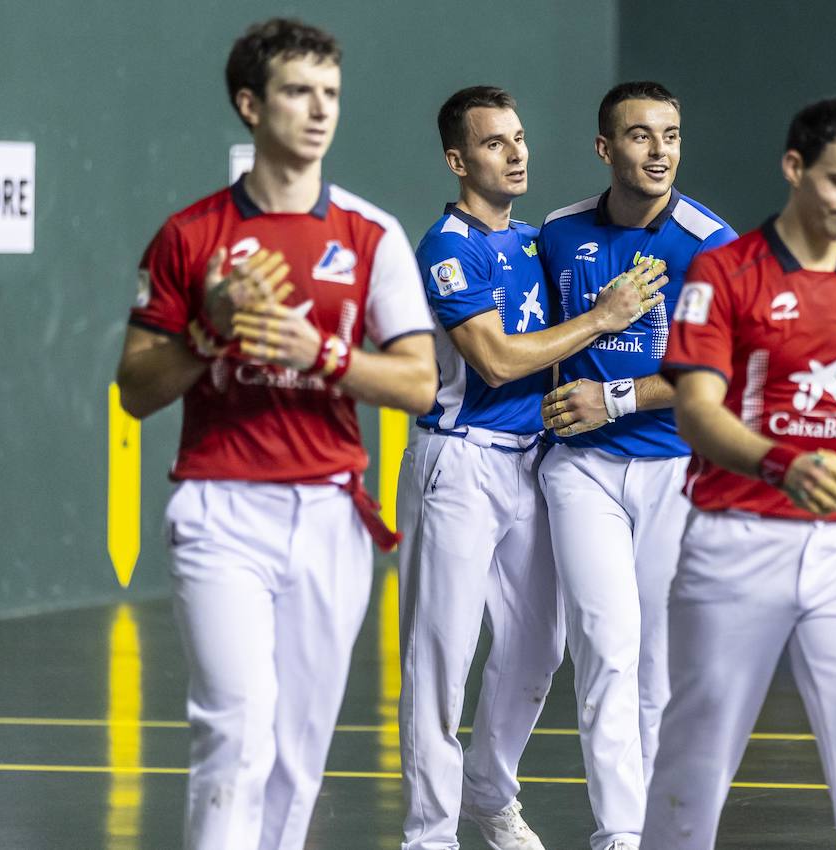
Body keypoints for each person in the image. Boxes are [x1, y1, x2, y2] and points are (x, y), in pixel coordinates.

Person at [115, 18, 437, 850]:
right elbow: (136, 389)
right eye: (299, 91)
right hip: (220, 510)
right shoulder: (192, 236)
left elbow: (418, 381)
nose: (320, 109)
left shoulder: (371, 236)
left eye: (331, 92)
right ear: (250, 105)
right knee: (236, 734)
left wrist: (322, 353)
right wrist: (209, 330)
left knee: (297, 758)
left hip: (330, 515)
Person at [640, 96, 836, 849]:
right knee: (694, 763)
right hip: (735, 543)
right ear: (794, 167)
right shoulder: (722, 272)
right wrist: (782, 463)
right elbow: (696, 410)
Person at [398, 86, 667, 850]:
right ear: (458, 160)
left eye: (519, 139)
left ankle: (487, 791)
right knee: (440, 657)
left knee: (539, 648)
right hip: (456, 463)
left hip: (533, 464)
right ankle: (430, 835)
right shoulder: (449, 248)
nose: (516, 154)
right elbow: (493, 358)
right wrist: (602, 317)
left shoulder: (529, 243)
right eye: (494, 144)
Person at [535, 81, 737, 850]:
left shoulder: (710, 244)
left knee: (656, 662)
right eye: (642, 137)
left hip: (673, 470)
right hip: (579, 471)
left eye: (672, 136)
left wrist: (612, 396)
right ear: (605, 148)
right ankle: (619, 833)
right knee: (604, 644)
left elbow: (716, 372)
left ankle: (661, 831)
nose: (660, 153)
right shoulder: (556, 234)